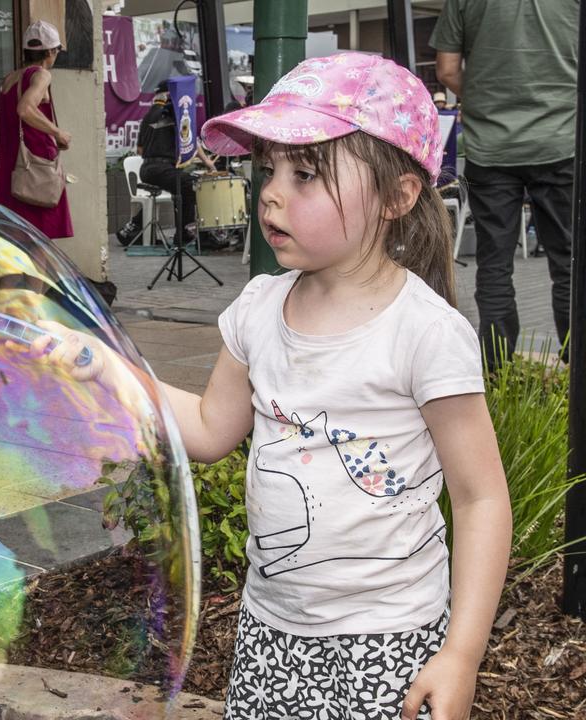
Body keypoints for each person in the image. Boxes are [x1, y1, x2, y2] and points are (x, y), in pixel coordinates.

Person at [27, 53, 511, 719]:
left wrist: (460, 655)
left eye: (306, 174)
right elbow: (208, 431)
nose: (273, 194)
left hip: (390, 641)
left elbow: (481, 497)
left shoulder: (424, 332)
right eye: (268, 171)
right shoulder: (259, 308)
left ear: (397, 197)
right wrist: (111, 367)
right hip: (272, 633)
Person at [430, 0, 578, 368]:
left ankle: (496, 372)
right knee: (570, 262)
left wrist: (484, 98)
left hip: (491, 147)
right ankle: (577, 371)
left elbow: (447, 70)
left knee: (494, 263)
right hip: (562, 141)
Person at [0, 20, 73, 239]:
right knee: (41, 243)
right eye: (56, 50)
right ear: (49, 51)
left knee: (18, 240)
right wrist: (57, 133)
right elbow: (25, 109)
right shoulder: (41, 75)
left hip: (10, 169)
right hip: (36, 170)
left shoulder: (8, 80)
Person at [115, 89, 216, 246]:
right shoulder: (174, 116)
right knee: (190, 185)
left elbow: (140, 150)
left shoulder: (149, 115)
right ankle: (185, 234)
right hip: (161, 168)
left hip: (147, 168)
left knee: (179, 186)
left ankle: (134, 228)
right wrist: (207, 162)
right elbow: (190, 141)